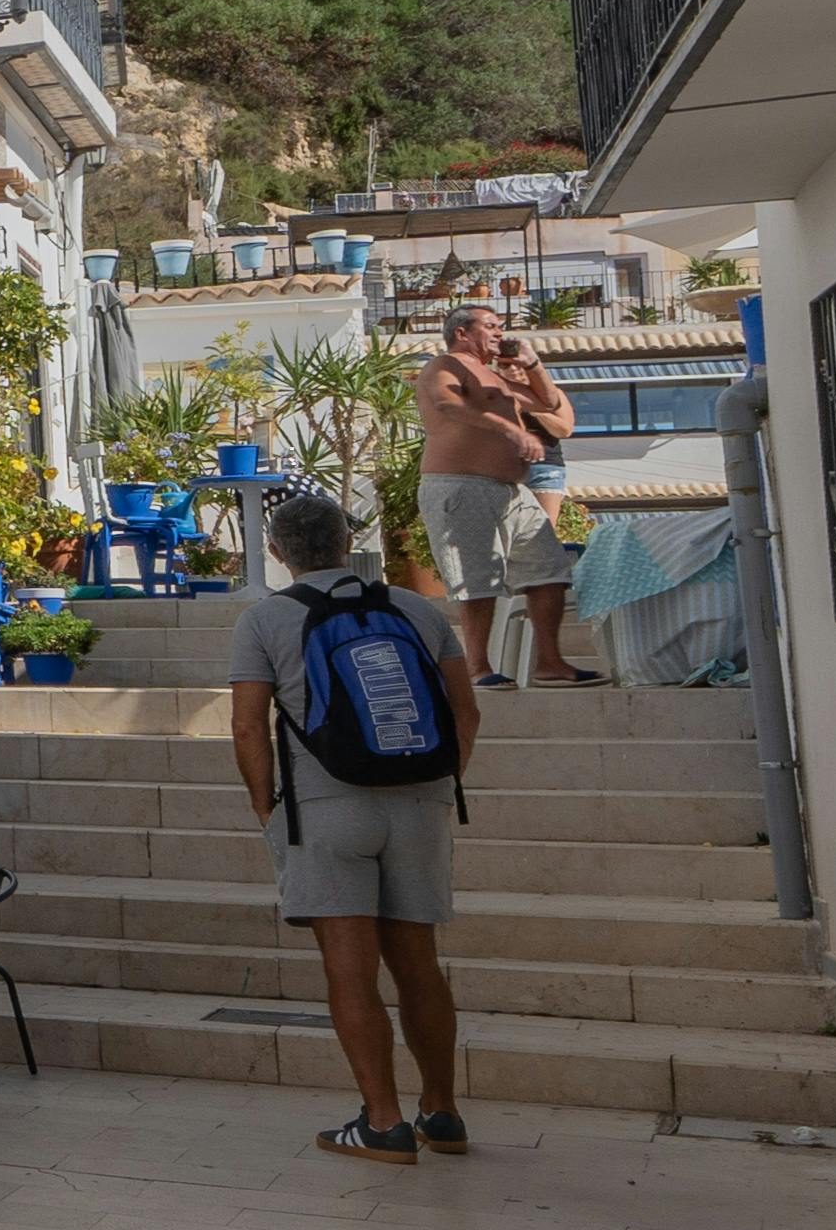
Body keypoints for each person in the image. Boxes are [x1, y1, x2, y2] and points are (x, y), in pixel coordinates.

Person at [229, 482, 483, 1162]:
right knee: (419, 967)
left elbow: (247, 726)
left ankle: (382, 1120)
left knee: (350, 969)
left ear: (277, 551)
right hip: (419, 801)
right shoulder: (416, 608)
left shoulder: (263, 620)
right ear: (349, 542)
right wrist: (432, 781)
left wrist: (267, 809)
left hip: (323, 806)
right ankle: (442, 1111)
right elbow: (466, 710)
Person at [415, 303, 583, 682]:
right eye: (490, 326)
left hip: (511, 491)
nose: (499, 333)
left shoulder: (496, 378)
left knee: (549, 570)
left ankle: (549, 662)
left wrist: (533, 364)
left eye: (501, 326)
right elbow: (448, 405)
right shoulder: (443, 366)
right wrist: (509, 430)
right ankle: (478, 667)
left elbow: (552, 407)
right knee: (478, 579)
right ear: (462, 333)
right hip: (460, 484)